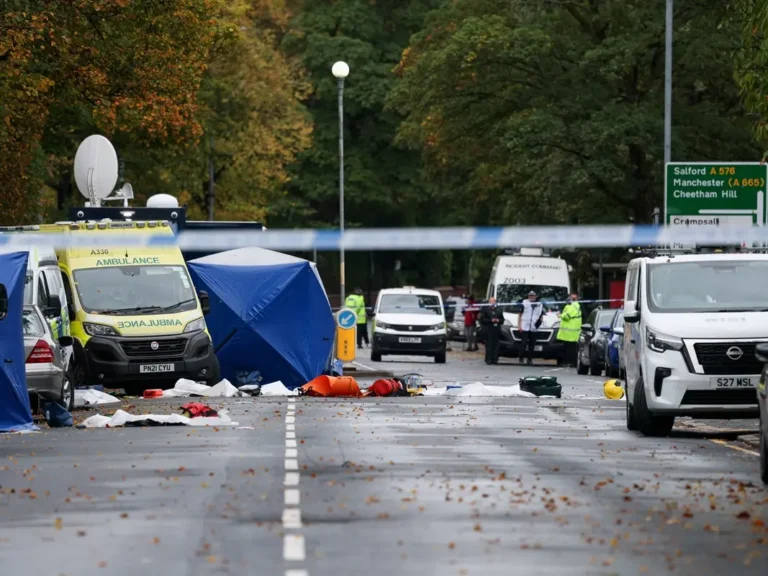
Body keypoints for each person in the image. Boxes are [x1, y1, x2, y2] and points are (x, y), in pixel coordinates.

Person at [517, 290, 543, 365]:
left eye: (533, 296)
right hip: (524, 326)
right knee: (524, 343)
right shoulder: (524, 303)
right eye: (530, 296)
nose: (531, 297)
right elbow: (519, 315)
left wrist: (539, 323)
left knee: (532, 345)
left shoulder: (539, 305)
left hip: (533, 327)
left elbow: (541, 315)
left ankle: (529, 360)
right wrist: (519, 326)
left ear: (535, 297)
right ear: (528, 297)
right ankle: (521, 359)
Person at [557, 293, 582, 367]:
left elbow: (566, 316)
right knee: (571, 348)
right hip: (571, 332)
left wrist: (559, 315)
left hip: (570, 333)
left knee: (570, 349)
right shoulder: (576, 305)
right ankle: (571, 362)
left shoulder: (573, 306)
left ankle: (571, 362)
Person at [479, 297, 504, 365]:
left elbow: (502, 319)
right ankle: (488, 359)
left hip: (496, 329)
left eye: (494, 301)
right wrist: (490, 320)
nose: (492, 302)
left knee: (496, 345)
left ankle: (495, 359)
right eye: (491, 301)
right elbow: (482, 319)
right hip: (488, 329)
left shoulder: (499, 309)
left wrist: (498, 320)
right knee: (489, 345)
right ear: (489, 302)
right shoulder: (485, 309)